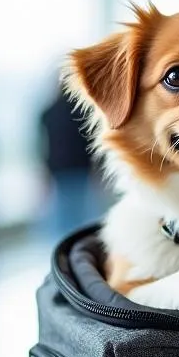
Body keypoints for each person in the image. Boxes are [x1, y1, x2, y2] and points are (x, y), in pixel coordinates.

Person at [38, 84, 104, 240]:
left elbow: (43, 147)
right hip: (81, 168)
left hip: (58, 170)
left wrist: (44, 173)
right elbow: (92, 144)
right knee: (83, 216)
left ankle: (63, 251)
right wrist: (98, 170)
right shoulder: (81, 112)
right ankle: (80, 248)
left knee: (63, 218)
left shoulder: (47, 113)